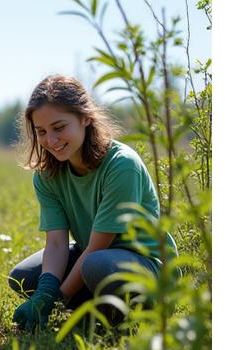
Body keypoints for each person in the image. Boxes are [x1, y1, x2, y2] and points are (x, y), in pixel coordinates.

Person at [9, 75, 178, 331]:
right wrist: (45, 291)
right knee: (24, 277)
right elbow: (56, 243)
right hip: (95, 258)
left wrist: (55, 301)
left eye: (59, 127)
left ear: (86, 118)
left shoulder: (122, 165)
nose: (51, 140)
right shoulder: (47, 175)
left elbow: (97, 247)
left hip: (145, 264)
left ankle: (135, 312)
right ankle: (99, 308)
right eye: (41, 132)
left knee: (96, 265)